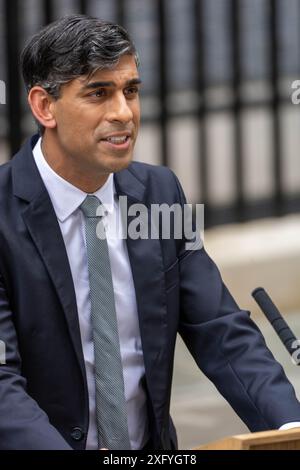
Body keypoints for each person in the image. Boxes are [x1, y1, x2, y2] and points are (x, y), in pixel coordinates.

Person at [0, 14, 299, 451]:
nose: (123, 113)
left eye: (131, 91)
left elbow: (220, 330)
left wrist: (289, 425)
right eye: (98, 93)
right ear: (45, 107)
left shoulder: (158, 195)